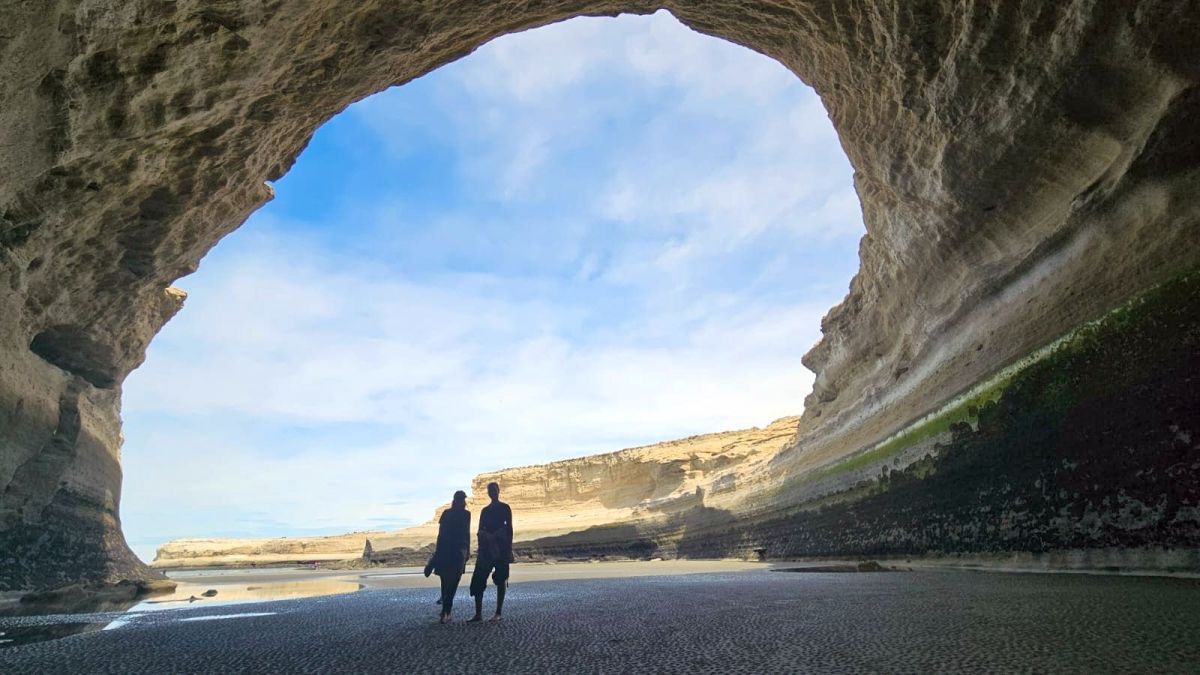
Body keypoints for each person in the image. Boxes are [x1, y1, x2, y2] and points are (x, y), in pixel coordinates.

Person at [469, 481, 513, 622]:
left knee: (501, 579)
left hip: (501, 548)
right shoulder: (485, 511)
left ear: (498, 491)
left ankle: (498, 613)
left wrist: (508, 549)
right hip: (486, 549)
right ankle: (478, 614)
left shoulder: (505, 508)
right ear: (488, 493)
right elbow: (480, 530)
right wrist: (486, 539)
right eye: (490, 490)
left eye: (494, 489)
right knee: (478, 580)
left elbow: (510, 529)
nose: (492, 492)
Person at [424, 490, 470, 624]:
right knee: (453, 582)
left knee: (446, 582)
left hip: (446, 550)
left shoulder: (446, 513)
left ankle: (446, 611)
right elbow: (465, 534)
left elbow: (441, 535)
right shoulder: (466, 514)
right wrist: (467, 551)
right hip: (457, 551)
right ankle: (446, 611)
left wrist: (436, 554)